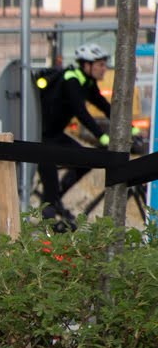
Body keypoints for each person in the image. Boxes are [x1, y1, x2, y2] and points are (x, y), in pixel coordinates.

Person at [34, 41, 113, 226]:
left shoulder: (87, 82)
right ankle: (48, 228)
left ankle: (56, 198)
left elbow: (104, 106)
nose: (104, 69)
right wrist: (101, 136)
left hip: (55, 134)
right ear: (87, 65)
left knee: (86, 161)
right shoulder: (71, 80)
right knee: (50, 191)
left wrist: (130, 128)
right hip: (40, 136)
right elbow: (81, 112)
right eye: (101, 64)